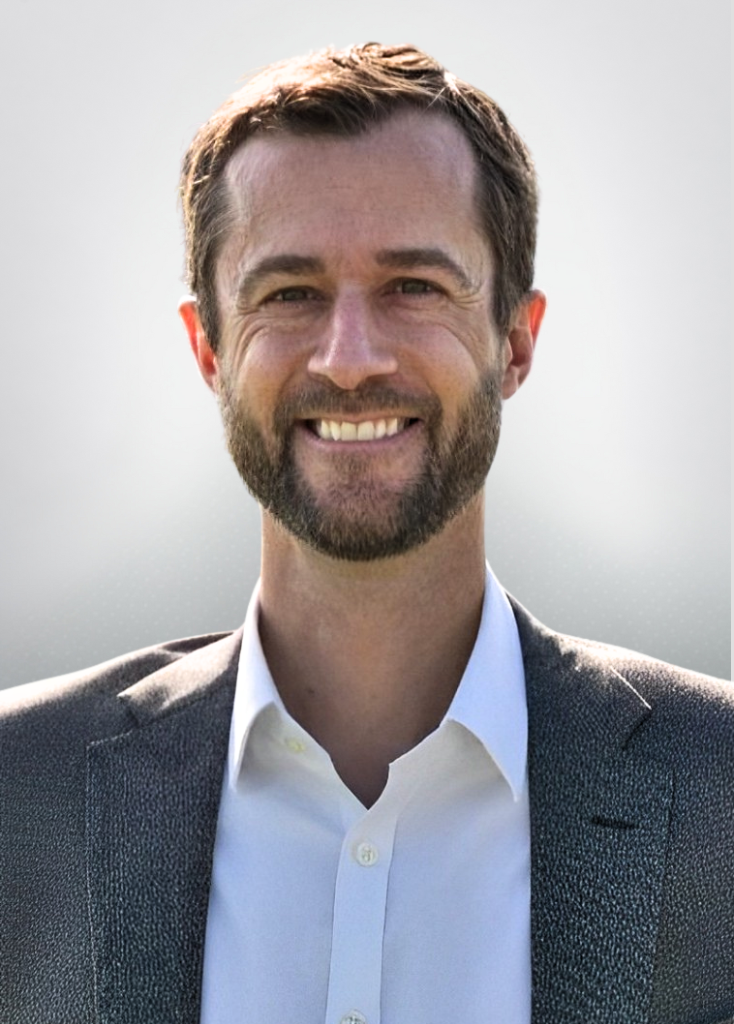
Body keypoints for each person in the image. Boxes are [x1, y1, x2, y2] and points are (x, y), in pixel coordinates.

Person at [1, 42, 732, 1024]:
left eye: (413, 286)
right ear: (208, 347)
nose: (348, 359)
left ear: (515, 340)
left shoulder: (719, 794)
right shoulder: (17, 796)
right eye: (289, 293)